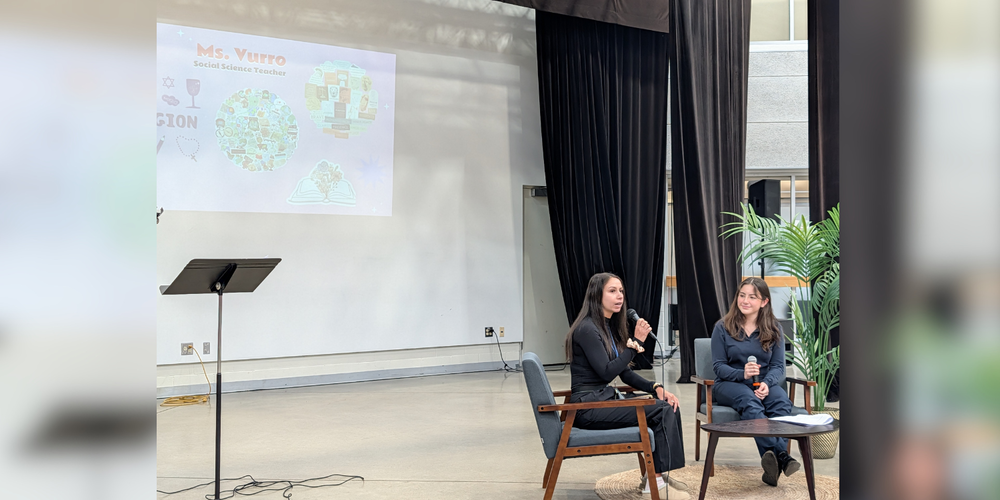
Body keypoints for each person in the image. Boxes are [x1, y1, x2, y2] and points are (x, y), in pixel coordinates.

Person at [566, 272, 686, 496]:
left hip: (602, 401)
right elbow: (605, 373)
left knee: (668, 404)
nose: (619, 296)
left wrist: (656, 387)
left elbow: (624, 373)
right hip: (588, 408)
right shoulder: (587, 329)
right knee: (661, 411)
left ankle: (658, 474)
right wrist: (636, 343)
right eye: (612, 291)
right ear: (596, 295)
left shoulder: (606, 327)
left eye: (621, 291)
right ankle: (655, 480)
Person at [711, 277, 800, 486]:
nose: (745, 300)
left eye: (752, 297)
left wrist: (768, 383)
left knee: (780, 401)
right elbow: (718, 367)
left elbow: (779, 366)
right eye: (742, 295)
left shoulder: (774, 328)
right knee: (749, 401)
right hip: (729, 384)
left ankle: (772, 464)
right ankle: (782, 455)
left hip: (764, 383)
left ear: (764, 302)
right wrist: (742, 373)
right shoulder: (722, 328)